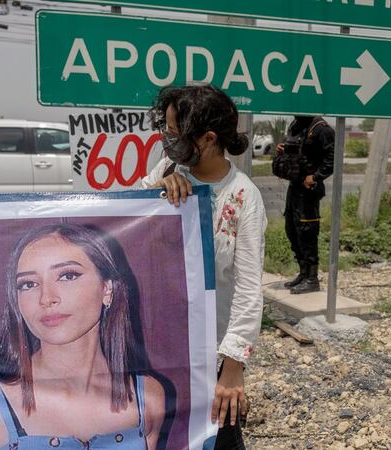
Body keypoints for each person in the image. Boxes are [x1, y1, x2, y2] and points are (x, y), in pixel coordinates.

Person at [142, 84, 267, 449]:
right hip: (160, 342)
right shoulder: (167, 169)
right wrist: (156, 191)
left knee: (218, 434)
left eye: (175, 132)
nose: (167, 139)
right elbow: (130, 227)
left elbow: (248, 288)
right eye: (165, 129)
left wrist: (233, 367)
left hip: (210, 350)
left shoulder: (242, 196)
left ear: (209, 139)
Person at [0, 223, 166, 449]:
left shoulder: (148, 398)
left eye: (68, 276)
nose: (46, 298)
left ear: (107, 289)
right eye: (28, 284)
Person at [276, 115, 335, 295]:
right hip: (295, 186)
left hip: (309, 189)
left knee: (307, 233)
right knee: (292, 230)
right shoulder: (296, 125)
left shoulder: (322, 129)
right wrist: (283, 150)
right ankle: (303, 274)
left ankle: (312, 279)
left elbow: (332, 159)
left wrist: (315, 177)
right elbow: (296, 150)